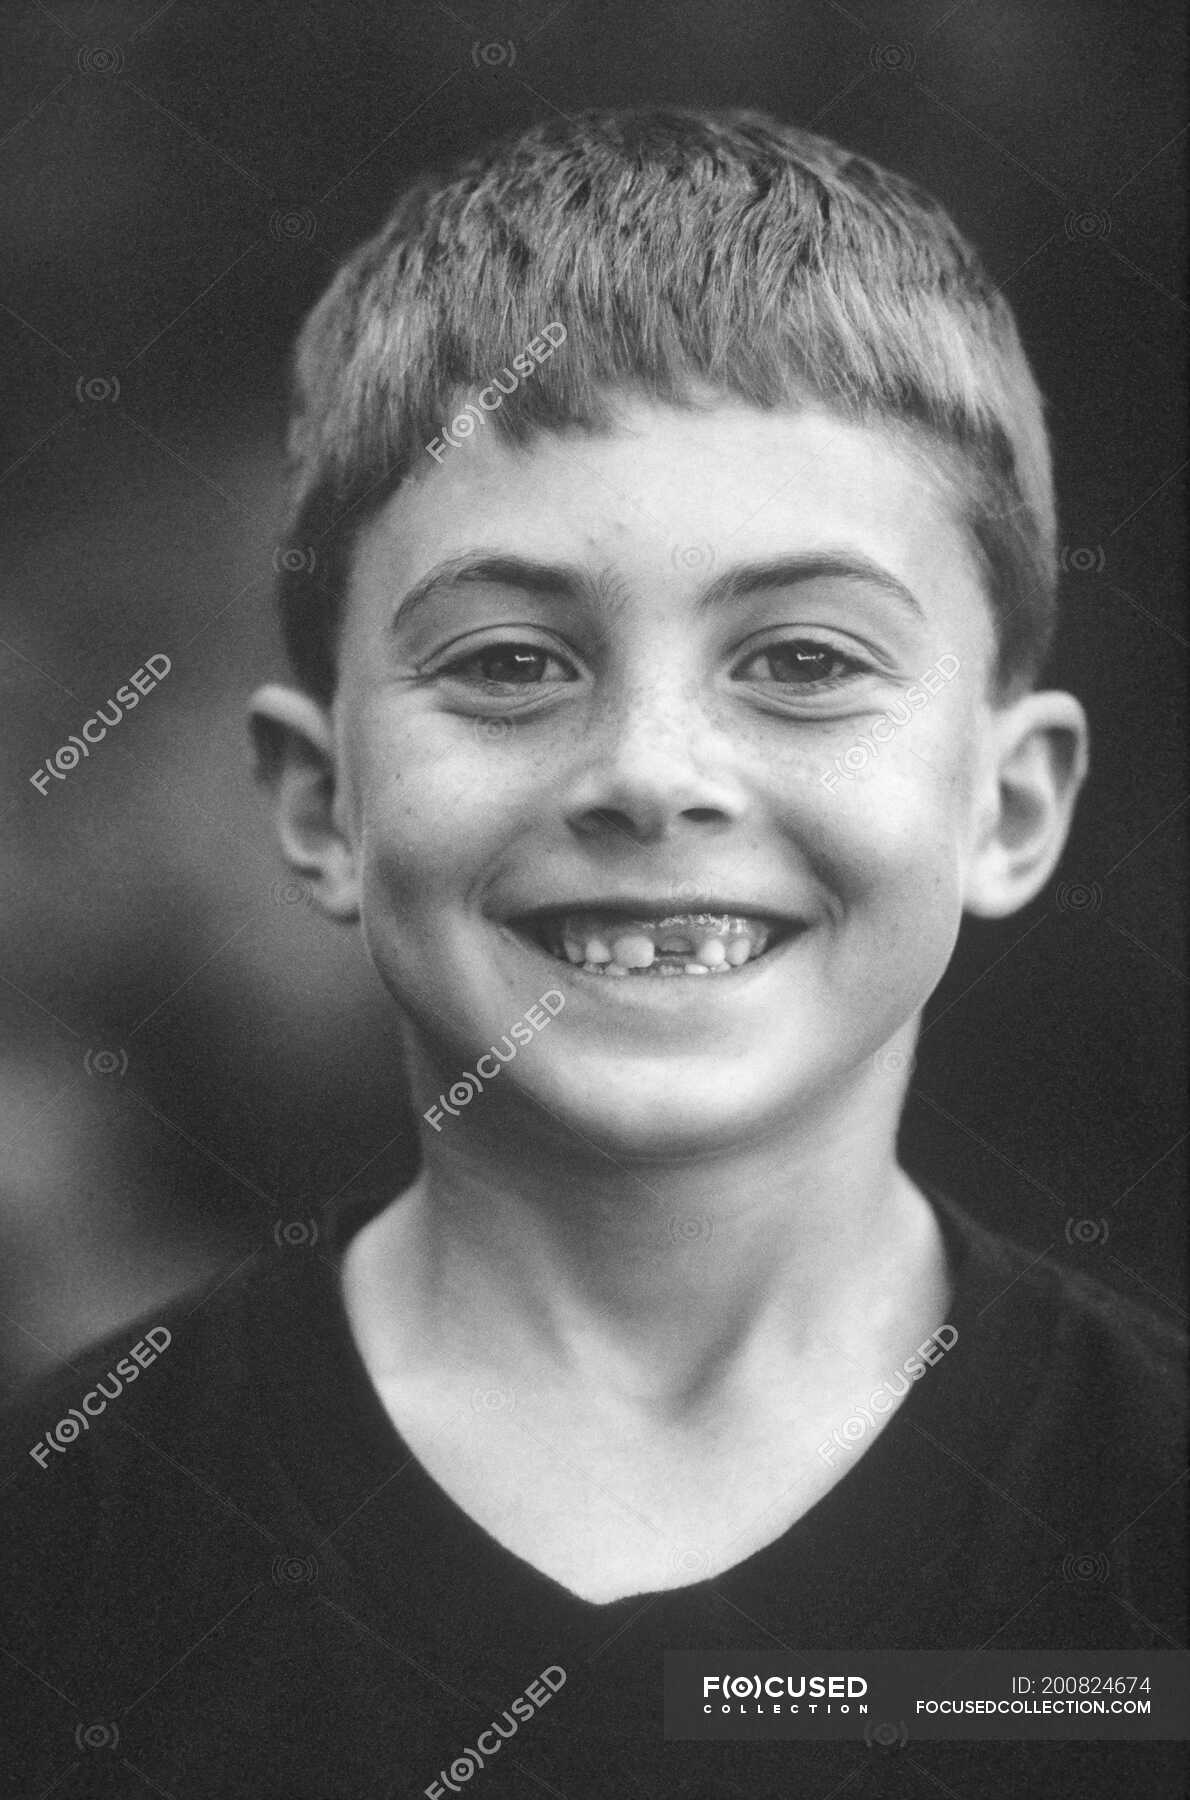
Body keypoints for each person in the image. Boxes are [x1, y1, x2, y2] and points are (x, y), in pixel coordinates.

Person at [2, 107, 1184, 1800]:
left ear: (1006, 804)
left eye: (797, 658)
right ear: (322, 803)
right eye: (504, 661)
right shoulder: (63, 1544)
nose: (648, 771)